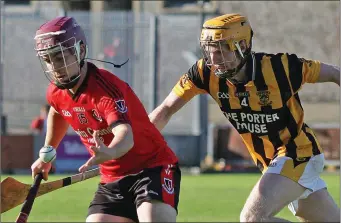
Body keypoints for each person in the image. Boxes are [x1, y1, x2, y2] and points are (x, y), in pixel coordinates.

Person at [149, 13, 340, 222]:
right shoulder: (204, 72)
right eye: (210, 51)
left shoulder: (280, 68)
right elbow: (166, 109)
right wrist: (138, 142)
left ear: (242, 45)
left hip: (298, 153)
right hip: (271, 161)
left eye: (221, 51)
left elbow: (335, 73)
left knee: (252, 219)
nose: (214, 59)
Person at [30, 16, 181, 223]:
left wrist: (109, 151)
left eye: (60, 58)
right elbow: (58, 110)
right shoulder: (56, 92)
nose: (55, 67)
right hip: (112, 179)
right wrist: (47, 155)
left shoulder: (105, 91)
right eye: (48, 60)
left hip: (152, 168)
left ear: (80, 51)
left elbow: (125, 136)